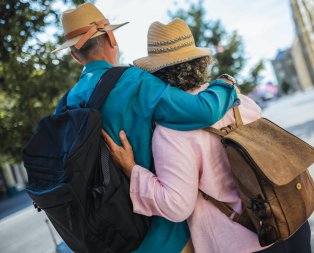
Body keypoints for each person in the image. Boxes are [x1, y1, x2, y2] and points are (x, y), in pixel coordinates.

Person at [103, 18, 312, 253]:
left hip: (242, 243)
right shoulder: (238, 100)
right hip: (291, 221)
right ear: (201, 62)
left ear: (157, 77)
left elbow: (177, 206)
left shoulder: (170, 132)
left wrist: (133, 171)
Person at [54, 3, 238, 253]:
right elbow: (202, 111)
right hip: (162, 236)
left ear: (75, 56)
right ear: (111, 37)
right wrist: (226, 84)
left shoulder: (65, 106)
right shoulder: (135, 82)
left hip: (108, 236)